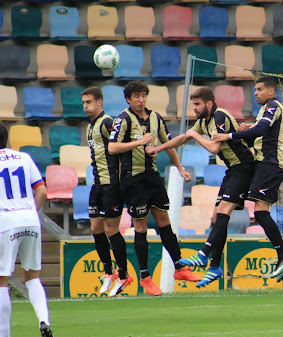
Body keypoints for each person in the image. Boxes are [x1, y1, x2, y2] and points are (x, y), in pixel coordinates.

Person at [147, 87, 255, 288]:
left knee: (223, 212)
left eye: (197, 104)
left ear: (209, 104)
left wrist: (195, 135)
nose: (194, 108)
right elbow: (183, 138)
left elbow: (214, 148)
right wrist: (158, 148)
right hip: (233, 169)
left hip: (244, 167)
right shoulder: (204, 122)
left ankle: (204, 254)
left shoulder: (220, 116)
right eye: (193, 104)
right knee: (216, 218)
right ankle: (214, 267)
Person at [108, 81, 200, 296]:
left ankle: (179, 267)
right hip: (132, 179)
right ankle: (145, 277)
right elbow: (112, 148)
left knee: (164, 220)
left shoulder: (155, 118)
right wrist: (138, 143)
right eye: (136, 97)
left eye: (143, 96)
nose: (141, 100)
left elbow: (168, 144)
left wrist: (180, 168)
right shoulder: (122, 119)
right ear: (128, 100)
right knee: (141, 227)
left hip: (152, 177)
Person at [210, 76, 283, 282]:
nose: (255, 93)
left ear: (271, 91)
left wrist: (229, 136)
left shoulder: (273, 106)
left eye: (259, 89)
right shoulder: (264, 110)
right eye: (254, 90)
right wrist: (246, 130)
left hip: (270, 165)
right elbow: (257, 134)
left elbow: (262, 130)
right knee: (259, 212)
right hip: (263, 165)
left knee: (260, 212)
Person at [0, 121, 57, 337]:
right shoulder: (23, 157)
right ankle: (44, 321)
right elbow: (42, 191)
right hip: (30, 220)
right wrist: (28, 214)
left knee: (2, 280)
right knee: (32, 277)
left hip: (5, 222)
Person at [81, 87, 133, 297]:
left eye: (89, 102)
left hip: (112, 184)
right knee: (96, 228)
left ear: (99, 103)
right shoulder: (90, 126)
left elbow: (122, 146)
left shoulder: (107, 123)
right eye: (83, 102)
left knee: (111, 230)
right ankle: (108, 272)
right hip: (98, 184)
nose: (85, 106)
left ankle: (124, 274)